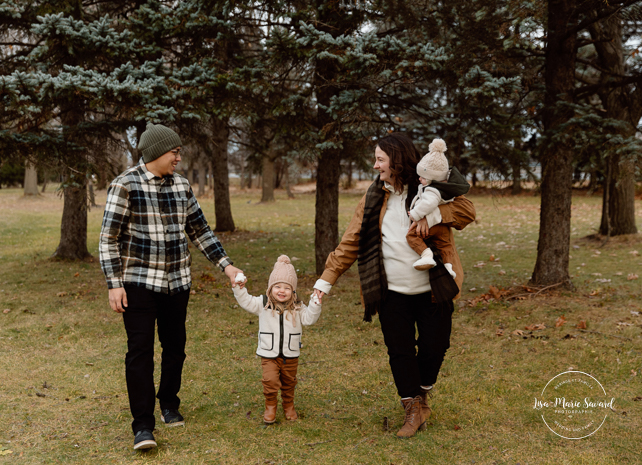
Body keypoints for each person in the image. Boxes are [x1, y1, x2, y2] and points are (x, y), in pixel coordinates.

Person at [312, 132, 475, 439]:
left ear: (397, 162)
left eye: (380, 160)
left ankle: (423, 392)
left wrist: (436, 215)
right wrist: (325, 282)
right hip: (390, 292)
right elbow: (351, 242)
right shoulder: (373, 197)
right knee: (399, 351)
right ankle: (412, 406)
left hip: (433, 287)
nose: (375, 166)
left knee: (435, 347)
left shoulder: (430, 188)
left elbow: (467, 211)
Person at [99, 123, 244, 450]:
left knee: (175, 346)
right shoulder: (124, 185)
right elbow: (108, 240)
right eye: (174, 152)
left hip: (177, 282)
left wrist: (227, 265)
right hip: (137, 283)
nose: (179, 157)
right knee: (140, 351)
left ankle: (168, 402)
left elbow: (200, 230)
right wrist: (113, 284)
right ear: (155, 153)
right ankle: (143, 426)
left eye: (179, 151)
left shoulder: (181, 185)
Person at [231, 255, 322, 424]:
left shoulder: (298, 307)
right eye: (277, 286)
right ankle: (270, 406)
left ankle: (288, 405)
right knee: (270, 380)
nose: (282, 291)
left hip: (291, 353)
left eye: (287, 288)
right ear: (270, 288)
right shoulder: (263, 304)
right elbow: (246, 301)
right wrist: (239, 288)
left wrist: (315, 304)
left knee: (289, 381)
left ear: (293, 290)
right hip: (269, 353)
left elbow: (309, 319)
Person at [407, 138, 471, 275]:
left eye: (423, 177)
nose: (419, 179)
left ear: (431, 178)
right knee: (445, 245)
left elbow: (428, 203)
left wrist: (417, 215)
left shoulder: (431, 190)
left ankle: (426, 256)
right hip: (442, 228)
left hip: (431, 226)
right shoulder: (447, 188)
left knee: (411, 236)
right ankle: (448, 267)